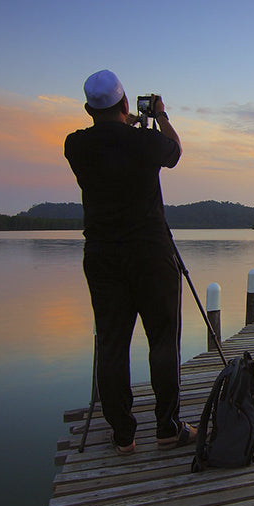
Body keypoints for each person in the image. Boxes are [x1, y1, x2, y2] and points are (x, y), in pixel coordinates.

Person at [64, 69, 195, 454]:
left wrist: (128, 124)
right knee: (163, 340)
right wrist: (160, 115)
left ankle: (123, 436)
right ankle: (168, 428)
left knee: (112, 344)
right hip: (151, 253)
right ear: (125, 103)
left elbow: (110, 141)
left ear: (89, 109)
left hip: (103, 257)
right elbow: (174, 150)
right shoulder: (145, 141)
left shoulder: (75, 145)